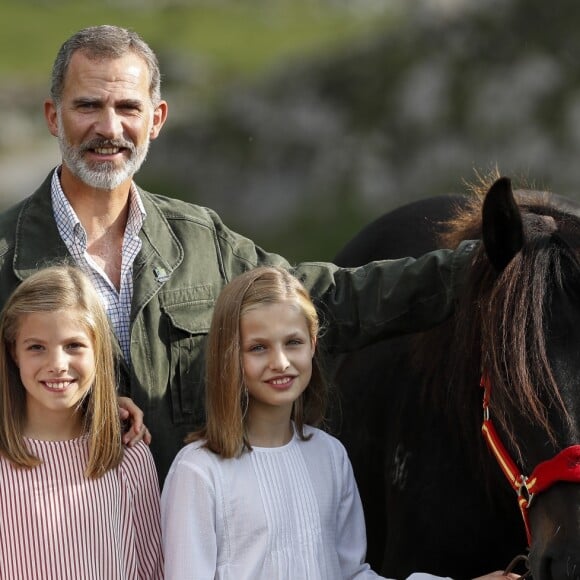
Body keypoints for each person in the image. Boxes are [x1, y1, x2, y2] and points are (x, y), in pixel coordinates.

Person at [0, 24, 477, 483]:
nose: (109, 127)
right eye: (88, 105)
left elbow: (323, 300)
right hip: (53, 533)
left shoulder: (201, 238)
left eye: (127, 106)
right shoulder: (6, 253)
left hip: (194, 540)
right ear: (52, 116)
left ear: (156, 119)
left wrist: (475, 267)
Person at [160, 267, 516, 580]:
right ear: (229, 355)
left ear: (313, 345)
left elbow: (352, 575)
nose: (280, 361)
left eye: (293, 342)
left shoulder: (329, 455)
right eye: (258, 348)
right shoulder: (198, 471)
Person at [0, 265, 163, 579]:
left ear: (98, 350)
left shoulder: (129, 459)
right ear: (14, 353)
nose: (57, 364)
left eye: (73, 346)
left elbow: (153, 571)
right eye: (36, 347)